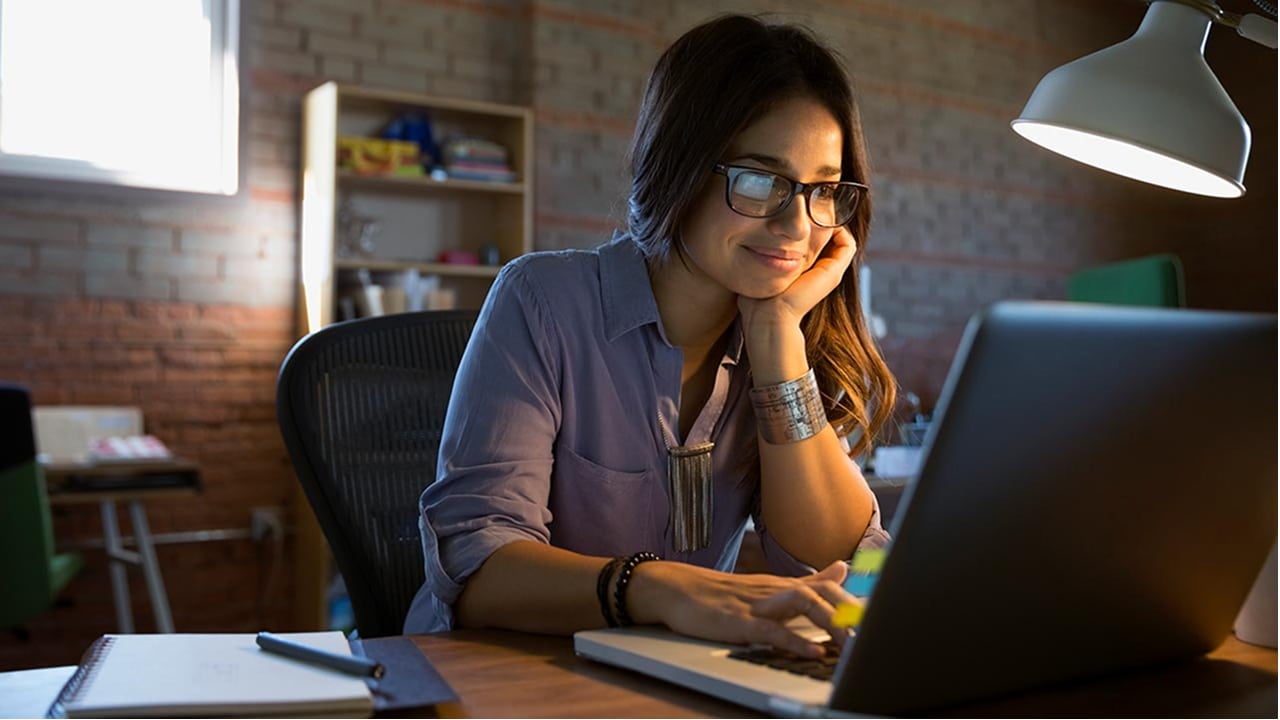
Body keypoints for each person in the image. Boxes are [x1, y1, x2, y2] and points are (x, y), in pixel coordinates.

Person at [403, 13, 897, 658]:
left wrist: (777, 340)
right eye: (758, 179)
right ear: (680, 164)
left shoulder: (784, 338)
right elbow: (476, 565)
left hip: (664, 680)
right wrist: (660, 589)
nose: (797, 224)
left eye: (824, 190)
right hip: (492, 673)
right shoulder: (544, 301)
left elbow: (861, 570)